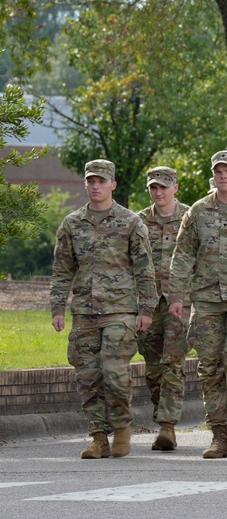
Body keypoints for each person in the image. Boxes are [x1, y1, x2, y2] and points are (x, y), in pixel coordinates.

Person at [50, 159, 157, 459]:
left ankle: (122, 428)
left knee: (113, 370)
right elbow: (62, 271)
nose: (96, 186)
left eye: (101, 181)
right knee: (88, 375)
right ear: (85, 184)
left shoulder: (130, 222)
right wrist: (58, 307)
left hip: (120, 311)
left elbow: (145, 269)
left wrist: (146, 308)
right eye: (91, 181)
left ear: (113, 184)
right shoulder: (72, 224)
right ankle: (98, 436)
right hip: (84, 311)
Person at [169, 150, 227, 459]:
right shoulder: (197, 211)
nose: (223, 175)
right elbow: (182, 255)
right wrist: (177, 295)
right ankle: (219, 434)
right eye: (218, 170)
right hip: (206, 299)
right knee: (209, 367)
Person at [135, 166, 190, 451]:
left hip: (181, 303)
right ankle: (162, 416)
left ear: (175, 189)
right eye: (154, 188)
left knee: (172, 363)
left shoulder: (190, 218)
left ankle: (167, 427)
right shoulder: (139, 222)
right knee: (153, 368)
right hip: (148, 304)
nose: (158, 192)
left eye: (164, 187)